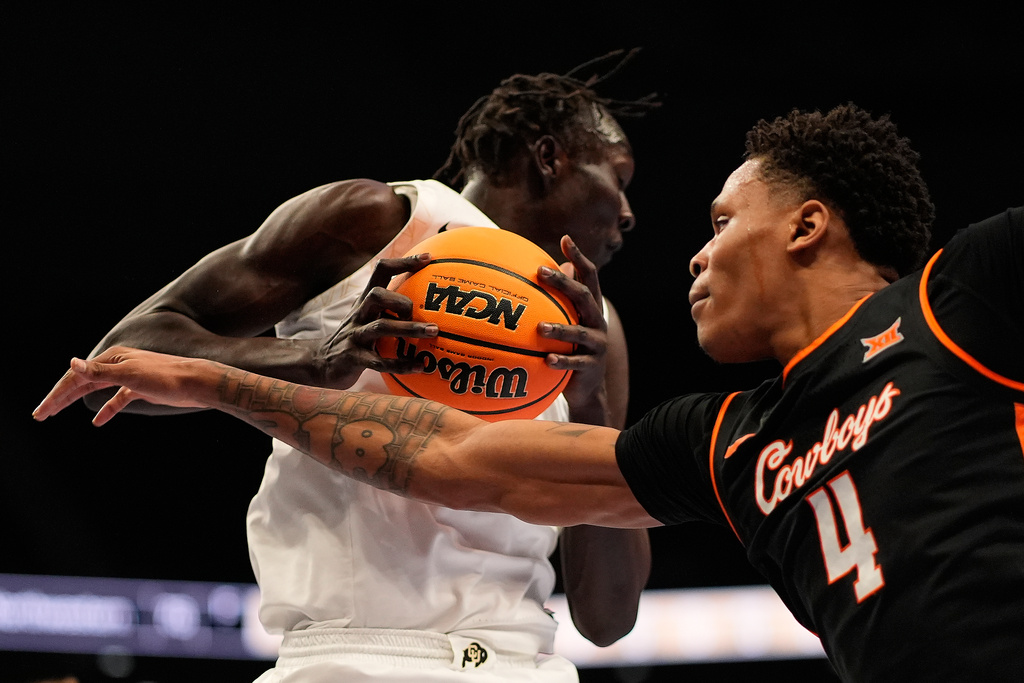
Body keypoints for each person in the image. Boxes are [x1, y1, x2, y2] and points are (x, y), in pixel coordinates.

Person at [37, 104, 1024, 681]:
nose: (686, 243)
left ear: (807, 227)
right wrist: (223, 376)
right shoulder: (734, 442)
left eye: (721, 219)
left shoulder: (959, 300)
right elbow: (458, 456)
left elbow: (602, 612)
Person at [54, 54, 657, 682]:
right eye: (618, 177)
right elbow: (118, 364)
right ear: (549, 157)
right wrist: (310, 363)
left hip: (522, 664)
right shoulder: (378, 222)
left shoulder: (596, 331)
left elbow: (607, 619)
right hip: (351, 657)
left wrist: (592, 413)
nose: (628, 213)